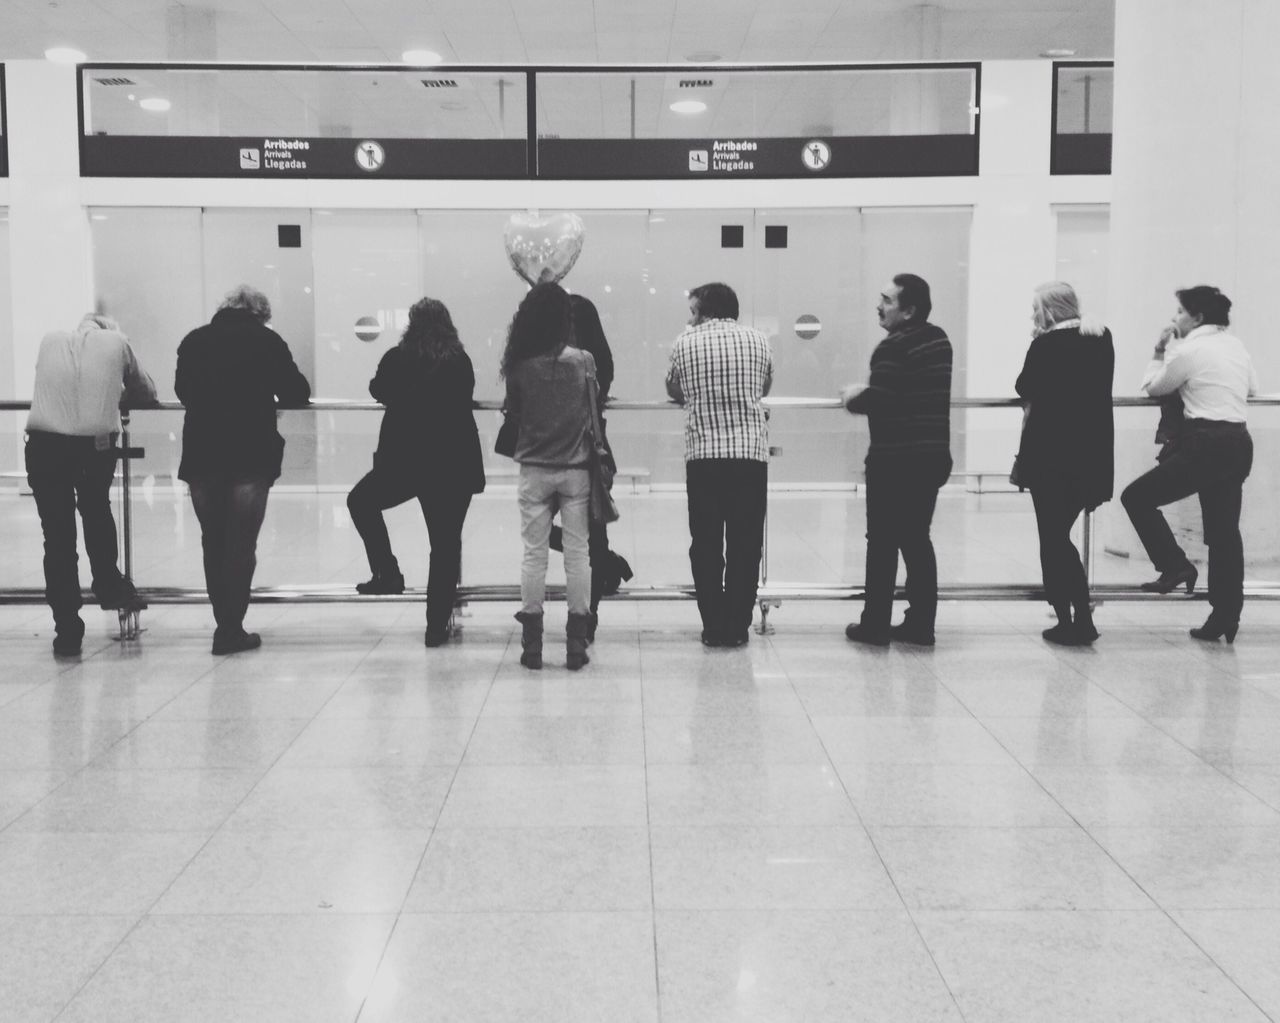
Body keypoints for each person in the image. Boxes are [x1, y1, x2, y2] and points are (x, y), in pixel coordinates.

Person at [175, 285, 311, 655]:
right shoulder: (267, 342)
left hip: (203, 455)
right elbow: (297, 392)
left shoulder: (194, 341)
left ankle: (225, 624)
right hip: (250, 453)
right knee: (241, 543)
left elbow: (183, 391)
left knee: (212, 541)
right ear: (260, 314)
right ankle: (231, 628)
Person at [1120, 285, 1257, 643]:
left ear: (1196, 317)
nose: (1174, 318)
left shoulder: (1189, 349)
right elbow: (1252, 389)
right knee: (1224, 533)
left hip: (1204, 443)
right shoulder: (1236, 346)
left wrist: (1159, 350)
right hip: (1238, 442)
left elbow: (1154, 387)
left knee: (1136, 497)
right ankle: (1226, 616)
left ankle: (1174, 565)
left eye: (1179, 312)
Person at [346, 297, 485, 646]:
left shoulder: (397, 358)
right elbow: (465, 395)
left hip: (405, 463)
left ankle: (387, 571)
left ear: (411, 324)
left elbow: (378, 389)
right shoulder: (459, 360)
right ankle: (436, 626)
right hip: (452, 465)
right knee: (444, 545)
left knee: (360, 501)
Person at [25, 313, 157, 655]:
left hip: (43, 445)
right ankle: (108, 584)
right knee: (96, 510)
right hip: (91, 447)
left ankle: (67, 630)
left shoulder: (51, 339)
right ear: (110, 330)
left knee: (56, 539)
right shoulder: (117, 342)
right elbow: (146, 392)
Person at [841, 273, 953, 647]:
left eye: (888, 301)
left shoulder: (892, 347)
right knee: (917, 541)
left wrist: (853, 396)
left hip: (895, 460)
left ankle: (874, 624)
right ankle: (921, 624)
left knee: (883, 543)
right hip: (932, 455)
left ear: (908, 311)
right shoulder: (939, 340)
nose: (879, 306)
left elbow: (882, 399)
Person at [665, 282, 773, 647]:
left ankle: (713, 624)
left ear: (707, 311)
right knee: (746, 543)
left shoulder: (685, 342)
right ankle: (738, 625)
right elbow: (765, 385)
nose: (690, 318)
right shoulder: (759, 340)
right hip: (749, 456)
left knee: (707, 543)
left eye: (693, 311)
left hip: (704, 456)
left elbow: (674, 388)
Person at [503, 281, 603, 671]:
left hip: (534, 469)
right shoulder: (583, 361)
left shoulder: (519, 367)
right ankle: (576, 644)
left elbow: (514, 412)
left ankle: (532, 645)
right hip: (576, 467)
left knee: (534, 555)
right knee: (578, 555)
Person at [1014, 282, 1114, 646]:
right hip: (1090, 457)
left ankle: (1074, 619)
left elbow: (1024, 385)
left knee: (1052, 540)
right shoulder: (1102, 338)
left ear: (1050, 311)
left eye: (1036, 308)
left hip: (1049, 458)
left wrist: (1036, 338)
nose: (1033, 315)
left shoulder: (1045, 344)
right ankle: (1079, 617)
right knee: (1060, 538)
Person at [548, 294, 633, 638]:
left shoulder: (543, 359)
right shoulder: (593, 362)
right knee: (593, 537)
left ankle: (606, 567)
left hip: (547, 451)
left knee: (538, 534)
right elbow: (603, 384)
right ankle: (588, 615)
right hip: (589, 451)